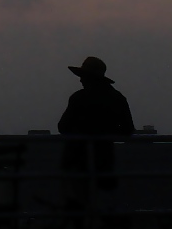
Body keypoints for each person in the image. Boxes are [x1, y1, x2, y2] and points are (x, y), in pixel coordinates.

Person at [57, 56, 136, 190]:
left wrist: (83, 132)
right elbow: (127, 130)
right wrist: (105, 133)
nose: (81, 80)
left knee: (76, 197)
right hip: (103, 160)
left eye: (83, 76)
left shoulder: (78, 98)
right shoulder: (117, 98)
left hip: (76, 159)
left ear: (89, 78)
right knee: (102, 196)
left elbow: (62, 127)